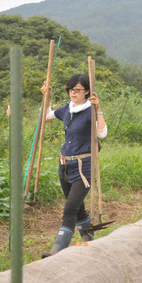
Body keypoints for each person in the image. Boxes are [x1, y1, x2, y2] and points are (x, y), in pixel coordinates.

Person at [40, 74, 107, 258]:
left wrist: (98, 109)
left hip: (83, 168)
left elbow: (102, 133)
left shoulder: (90, 111)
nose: (73, 93)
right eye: (70, 89)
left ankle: (57, 248)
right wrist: (47, 97)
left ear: (86, 91)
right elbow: (47, 116)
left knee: (70, 208)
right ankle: (89, 238)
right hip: (65, 167)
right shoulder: (67, 109)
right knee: (78, 207)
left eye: (77, 89)